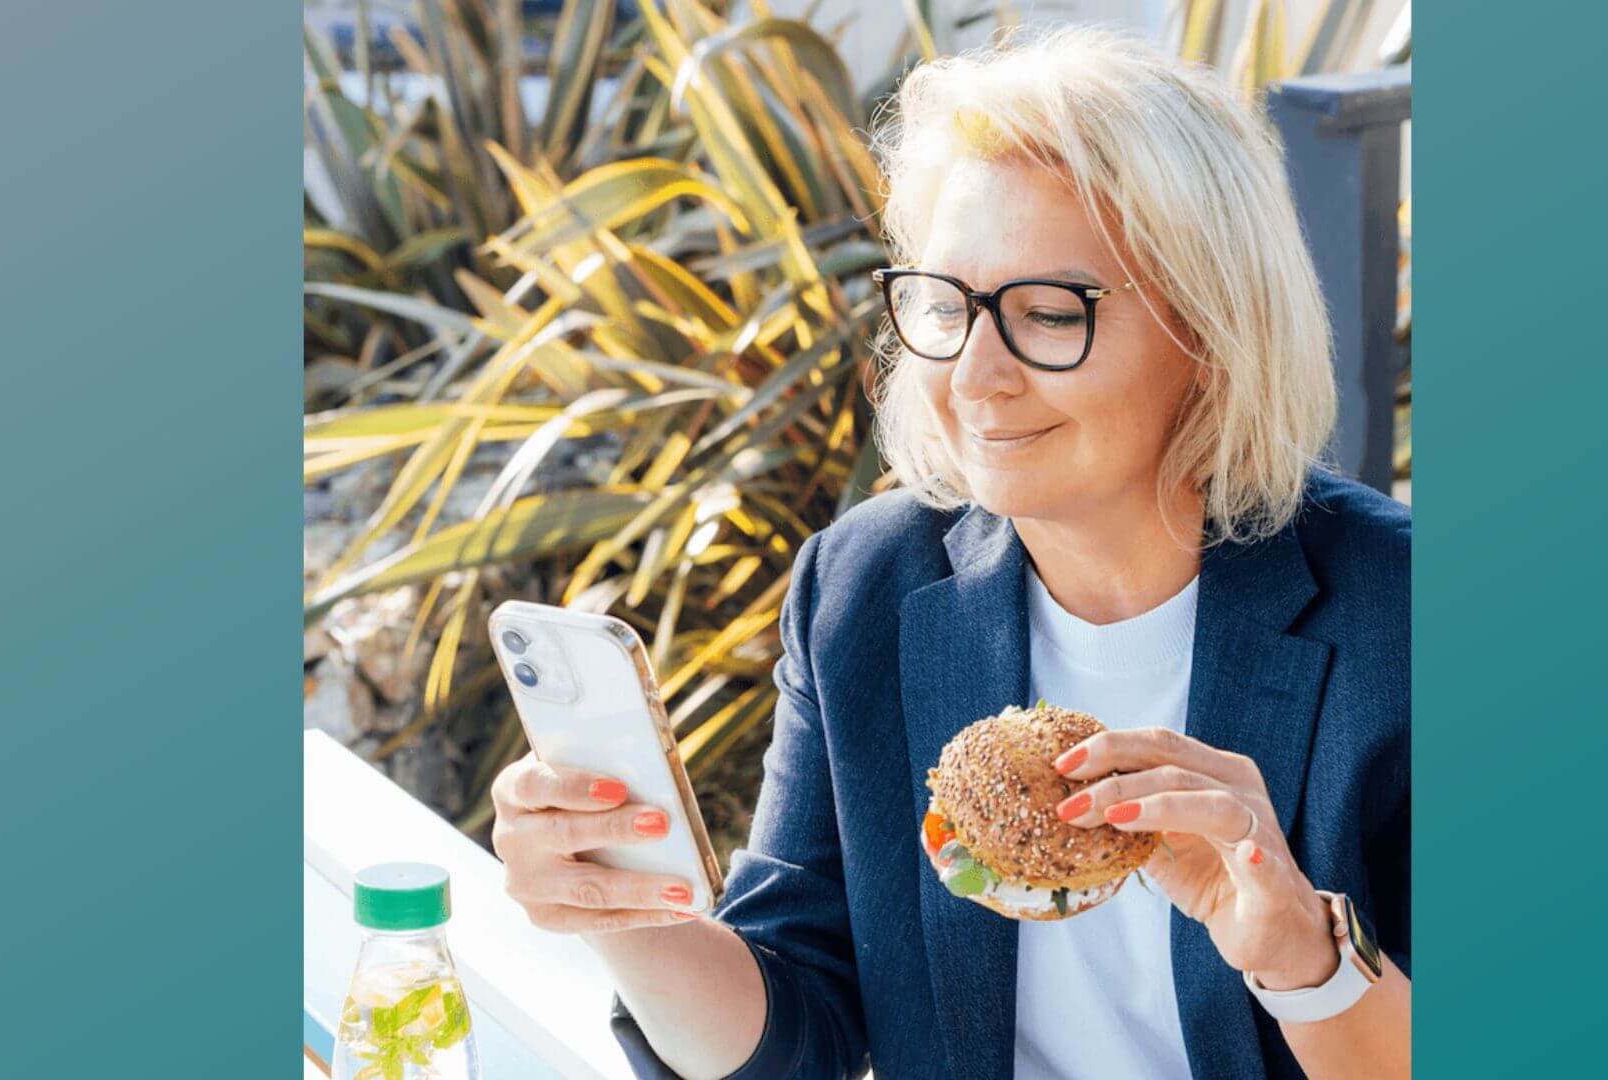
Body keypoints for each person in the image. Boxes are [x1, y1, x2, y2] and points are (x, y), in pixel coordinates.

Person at [488, 23, 1409, 1079]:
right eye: (944, 304)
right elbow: (799, 1028)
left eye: (1049, 314)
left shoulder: (1411, 619)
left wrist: (1306, 956)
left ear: (1214, 332)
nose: (975, 376)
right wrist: (620, 906)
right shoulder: (866, 587)